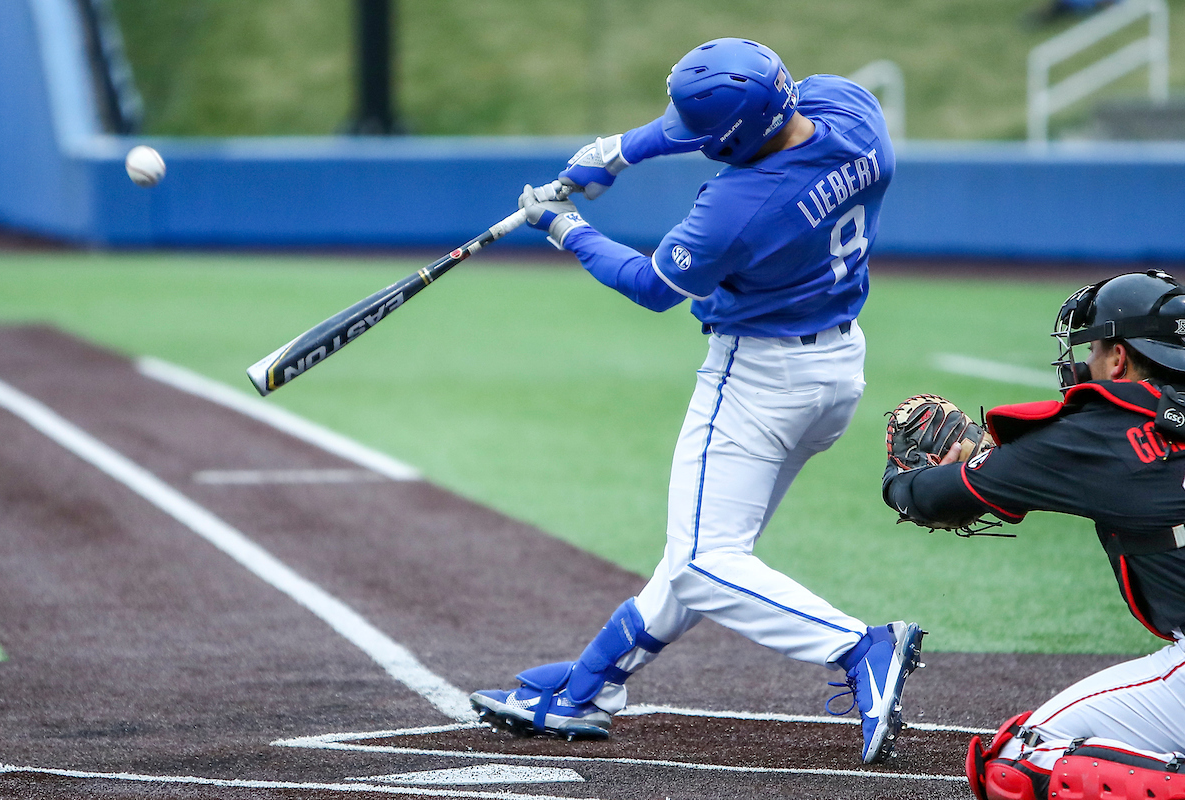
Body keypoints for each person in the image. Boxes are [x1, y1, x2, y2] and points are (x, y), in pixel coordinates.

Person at [469, 37, 925, 765]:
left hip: (757, 382)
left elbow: (653, 287)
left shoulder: (739, 205)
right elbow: (733, 119)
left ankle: (858, 648)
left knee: (704, 564)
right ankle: (588, 687)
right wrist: (620, 150)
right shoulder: (854, 111)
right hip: (836, 372)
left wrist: (566, 228)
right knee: (701, 554)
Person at [881, 269, 1185, 800]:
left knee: (1018, 761)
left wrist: (898, 482)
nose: (1084, 362)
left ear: (1119, 358)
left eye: (1093, 348)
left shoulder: (1104, 429)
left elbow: (938, 497)